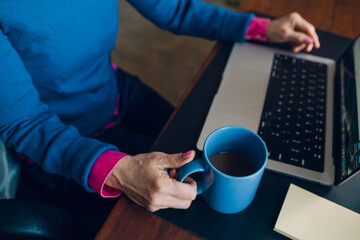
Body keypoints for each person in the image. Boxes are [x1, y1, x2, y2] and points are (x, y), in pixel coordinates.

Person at [0, 0, 320, 236]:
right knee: (200, 210)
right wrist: (121, 171)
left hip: (116, 92)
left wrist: (259, 28)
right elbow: (23, 122)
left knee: (213, 161)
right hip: (65, 144)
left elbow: (175, 9)